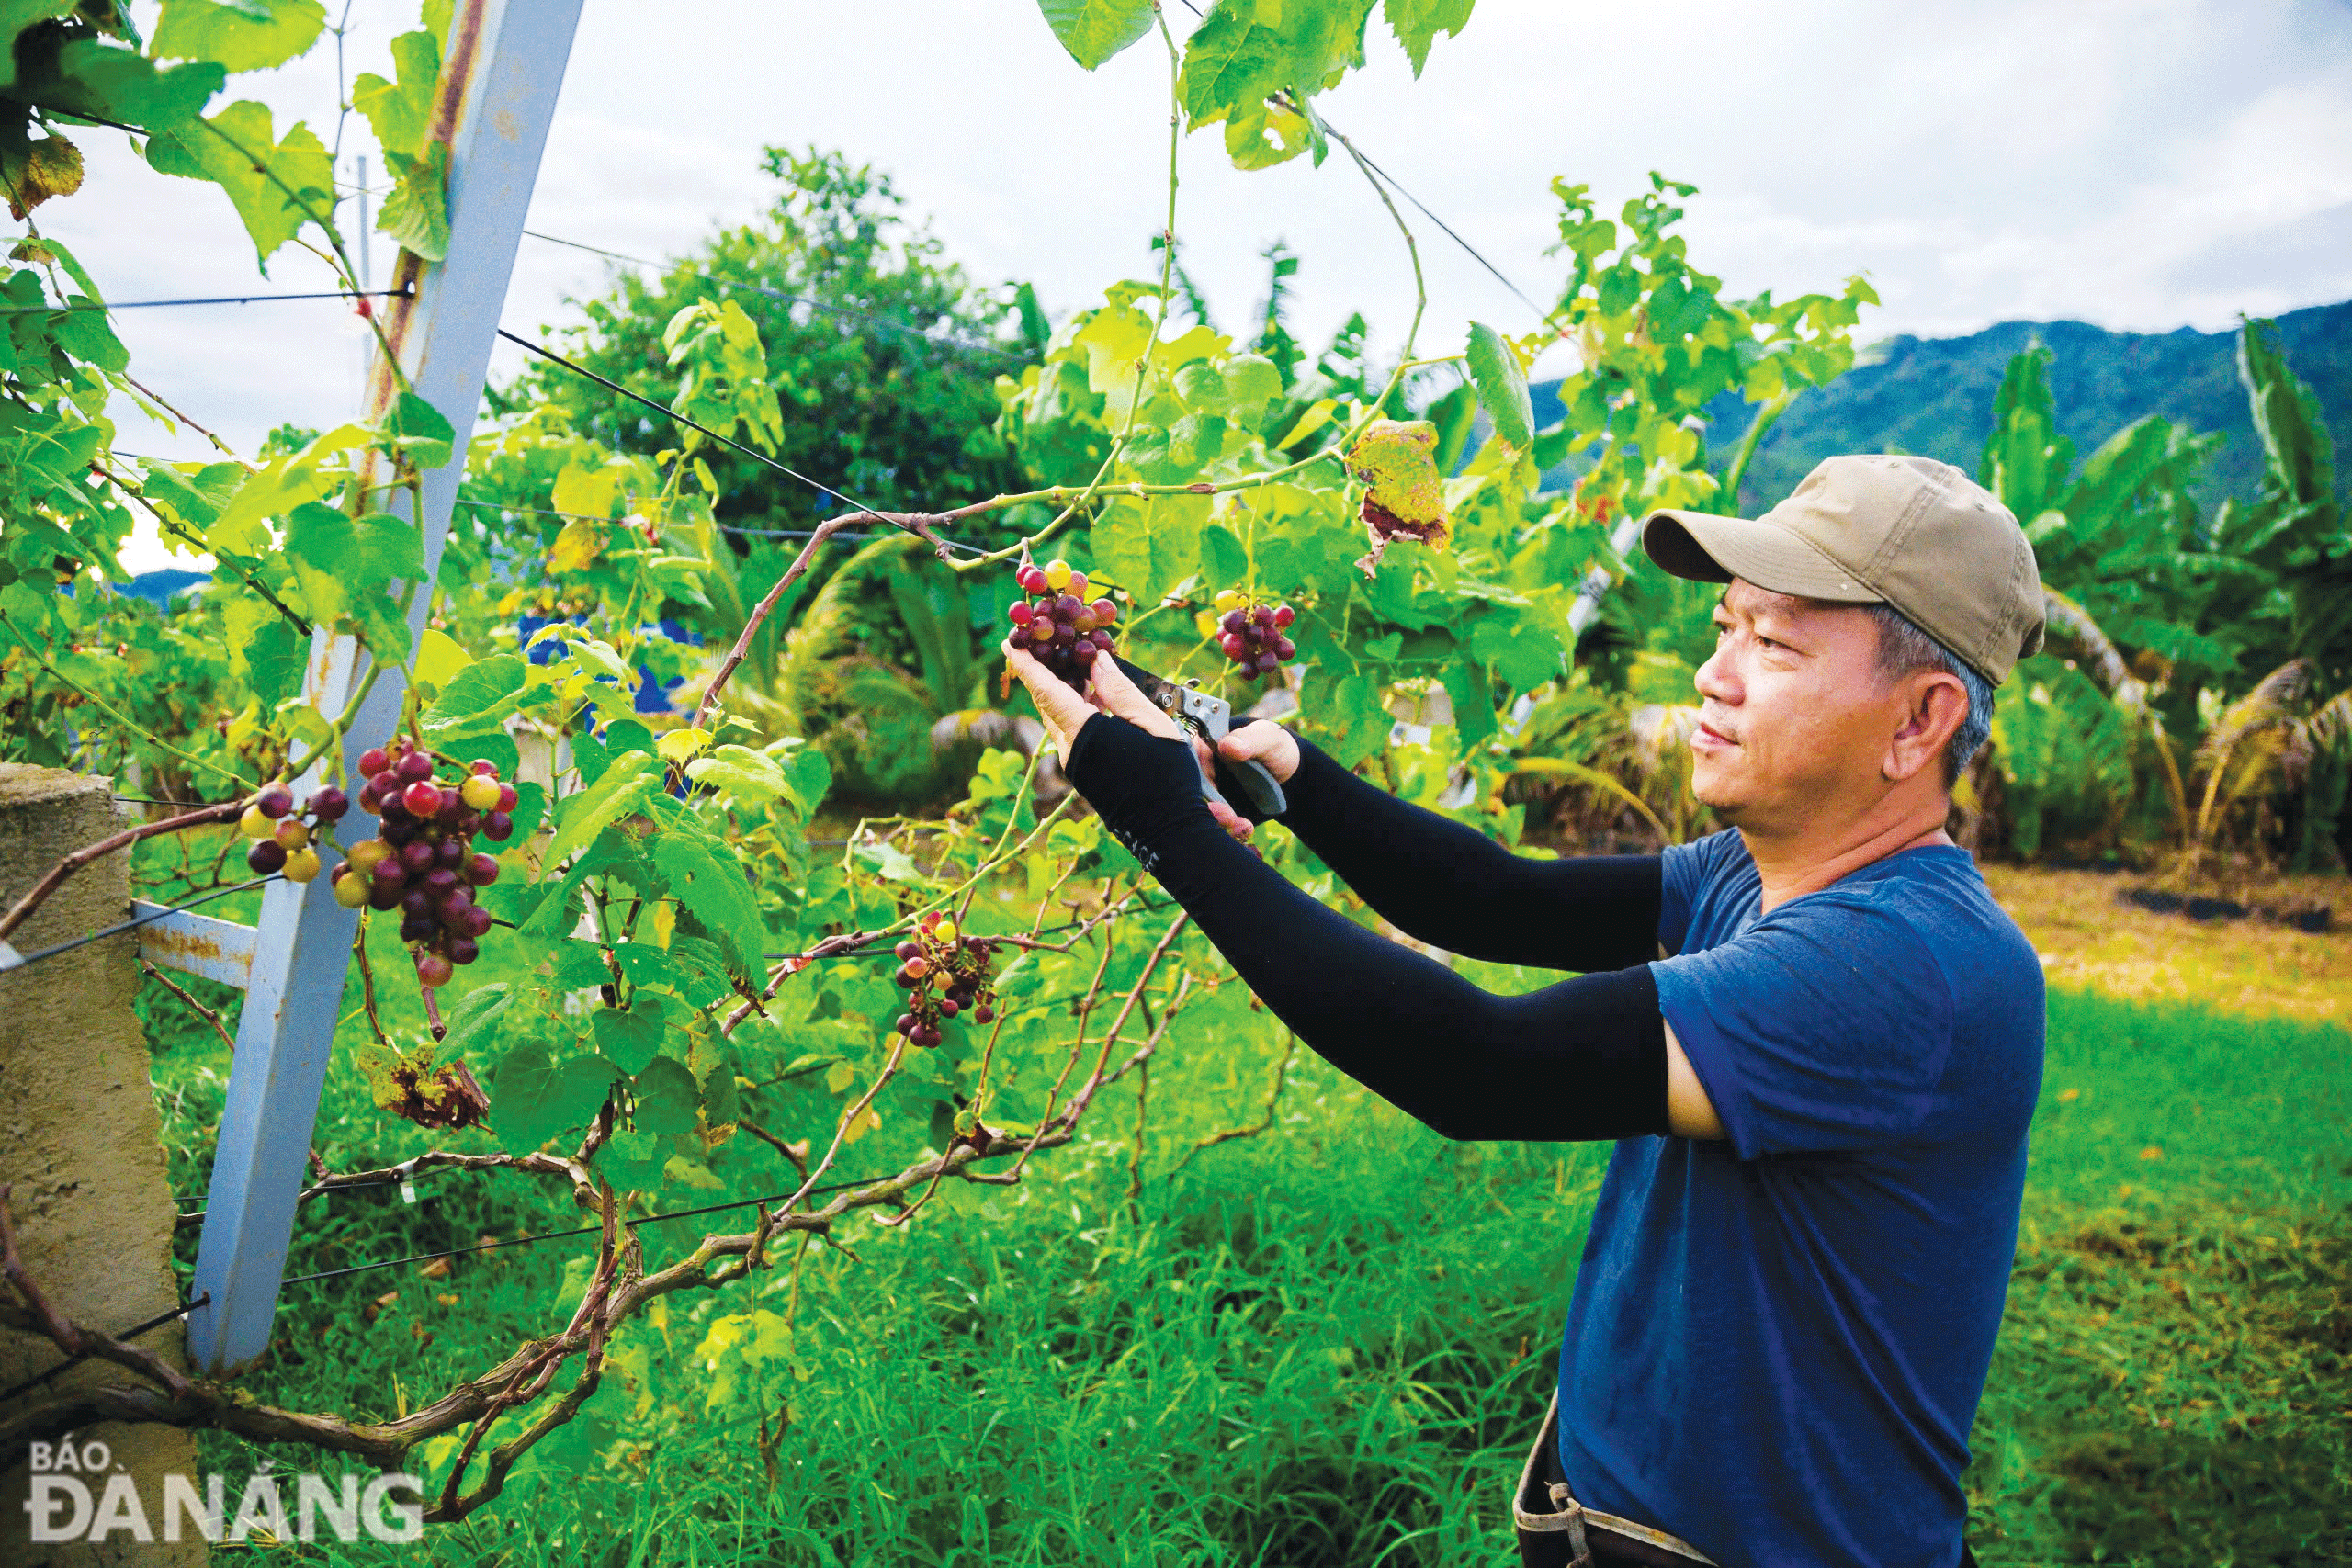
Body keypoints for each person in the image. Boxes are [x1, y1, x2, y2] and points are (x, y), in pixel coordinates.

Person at [1002, 453, 2046, 1568]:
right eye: (1727, 627)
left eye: (1775, 644)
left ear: (1917, 721)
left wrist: (1173, 829)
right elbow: (1498, 899)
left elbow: (1475, 1066)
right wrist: (1292, 776)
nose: (1713, 673)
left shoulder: (1906, 968)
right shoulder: (1756, 874)